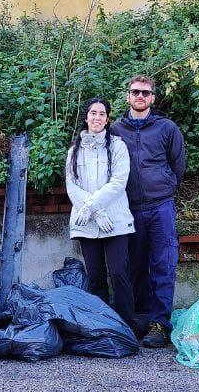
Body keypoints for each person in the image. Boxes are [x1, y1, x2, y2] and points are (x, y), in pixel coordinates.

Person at [109, 75, 186, 348]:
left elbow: (178, 165)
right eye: (135, 92)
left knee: (163, 265)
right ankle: (138, 320)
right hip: (128, 208)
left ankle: (159, 324)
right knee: (133, 266)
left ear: (153, 97)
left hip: (160, 206)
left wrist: (165, 186)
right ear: (127, 96)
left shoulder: (167, 128)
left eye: (145, 93)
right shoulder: (116, 130)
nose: (140, 96)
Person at [65, 98, 139, 335]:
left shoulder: (117, 146)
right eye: (92, 113)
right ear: (86, 117)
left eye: (102, 114)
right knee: (95, 276)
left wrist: (94, 208)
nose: (97, 118)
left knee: (119, 273)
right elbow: (72, 186)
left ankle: (126, 325)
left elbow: (118, 183)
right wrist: (93, 211)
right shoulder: (74, 151)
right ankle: (101, 325)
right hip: (87, 222)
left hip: (114, 221)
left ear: (107, 119)